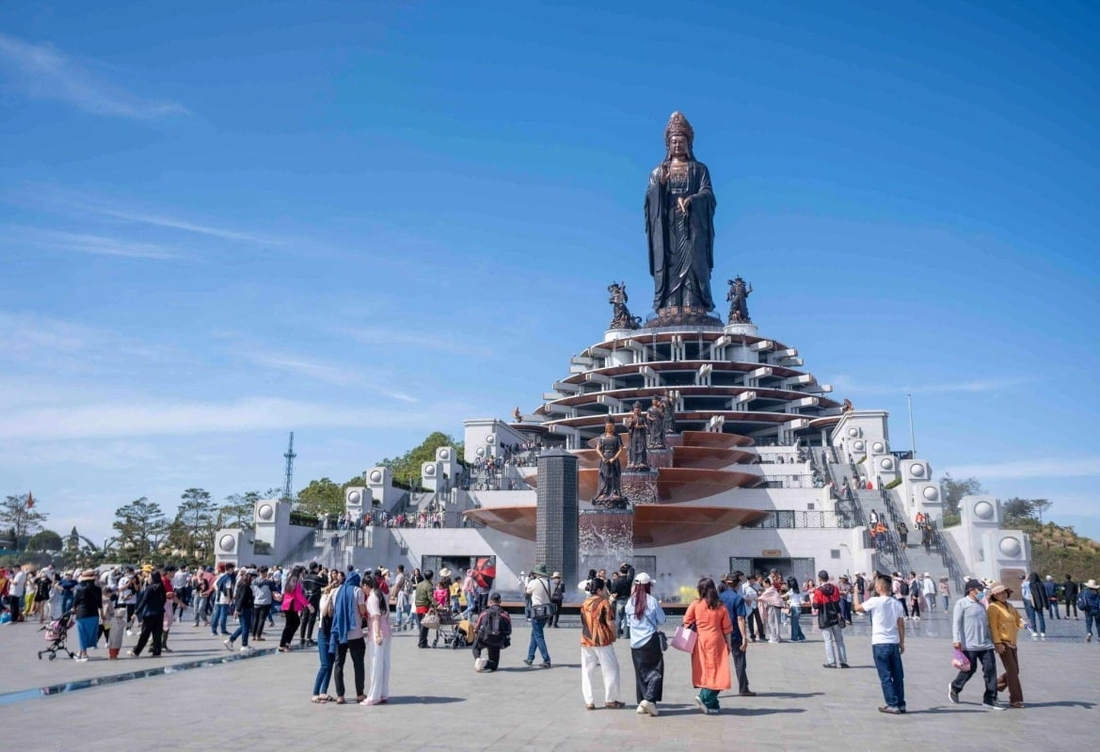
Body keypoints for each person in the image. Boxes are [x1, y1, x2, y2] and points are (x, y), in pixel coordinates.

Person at [645, 111, 716, 314]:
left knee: (693, 262)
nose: (677, 145)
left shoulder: (699, 169)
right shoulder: (658, 172)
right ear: (668, 145)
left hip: (692, 225)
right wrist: (660, 185)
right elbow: (650, 200)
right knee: (669, 263)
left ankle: (693, 303)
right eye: (674, 142)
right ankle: (669, 305)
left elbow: (708, 194)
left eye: (681, 142)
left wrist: (692, 200)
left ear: (688, 144)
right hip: (667, 228)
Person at [853, 574, 907, 714]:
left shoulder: (875, 601)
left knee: (885, 675)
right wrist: (901, 642)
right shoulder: (897, 603)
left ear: (882, 587)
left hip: (880, 643)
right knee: (898, 675)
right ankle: (901, 703)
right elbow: (901, 624)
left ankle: (892, 704)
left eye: (877, 585)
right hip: (893, 642)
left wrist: (855, 593)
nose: (875, 587)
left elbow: (857, 608)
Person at [949, 579, 1001, 709]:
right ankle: (955, 687)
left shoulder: (983, 604)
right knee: (969, 669)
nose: (982, 592)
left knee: (990, 670)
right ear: (971, 591)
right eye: (979, 590)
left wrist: (993, 641)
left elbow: (987, 625)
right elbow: (956, 623)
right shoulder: (962, 603)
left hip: (985, 644)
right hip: (969, 644)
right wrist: (956, 639)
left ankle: (990, 699)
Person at [683, 577, 732, 714]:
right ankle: (705, 697)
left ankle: (713, 705)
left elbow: (687, 621)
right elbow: (727, 628)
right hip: (716, 640)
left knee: (705, 670)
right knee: (719, 671)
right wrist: (729, 644)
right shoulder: (720, 606)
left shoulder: (695, 604)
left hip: (700, 641)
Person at [579, 577, 622, 709]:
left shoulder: (585, 603)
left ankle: (589, 701)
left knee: (587, 671)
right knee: (611, 669)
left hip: (586, 639)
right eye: (604, 588)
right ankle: (610, 699)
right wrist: (614, 635)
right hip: (602, 640)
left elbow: (583, 621)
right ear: (599, 590)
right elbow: (610, 622)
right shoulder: (604, 603)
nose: (606, 591)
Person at [626, 572, 665, 716]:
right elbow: (662, 620)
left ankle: (642, 702)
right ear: (648, 586)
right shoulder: (652, 601)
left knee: (641, 672)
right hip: (650, 640)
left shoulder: (630, 602)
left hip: (635, 643)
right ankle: (649, 700)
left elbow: (628, 623)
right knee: (656, 670)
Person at [987, 582, 1027, 708]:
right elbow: (993, 627)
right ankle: (1015, 699)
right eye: (999, 594)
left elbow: (1018, 619)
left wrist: (1024, 624)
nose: (1003, 595)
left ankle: (993, 687)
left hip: (1013, 642)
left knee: (1015, 670)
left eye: (1004, 592)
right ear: (994, 596)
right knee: (1012, 670)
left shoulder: (1010, 606)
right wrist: (997, 643)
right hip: (1003, 642)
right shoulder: (993, 608)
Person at [329, 570, 367, 704]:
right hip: (355, 633)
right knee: (358, 664)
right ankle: (360, 694)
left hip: (340, 633)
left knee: (339, 664)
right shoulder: (358, 591)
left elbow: (334, 609)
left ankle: (340, 695)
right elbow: (362, 610)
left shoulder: (336, 591)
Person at [719, 573, 754, 697]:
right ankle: (743, 688)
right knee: (740, 662)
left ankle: (713, 688)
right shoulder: (737, 598)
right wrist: (744, 636)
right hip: (735, 634)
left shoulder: (719, 597)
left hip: (721, 633)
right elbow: (740, 618)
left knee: (718, 662)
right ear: (738, 585)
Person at [361, 573, 392, 705]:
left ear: (365, 585)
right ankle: (383, 693)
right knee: (384, 664)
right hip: (387, 632)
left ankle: (374, 696)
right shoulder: (382, 595)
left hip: (377, 632)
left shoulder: (372, 597)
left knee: (376, 664)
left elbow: (375, 616)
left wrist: (377, 634)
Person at [312, 571, 341, 703]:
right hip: (323, 633)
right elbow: (323, 611)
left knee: (330, 664)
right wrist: (329, 597)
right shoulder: (324, 598)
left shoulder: (337, 601)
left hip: (332, 634)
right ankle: (315, 693)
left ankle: (324, 691)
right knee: (324, 664)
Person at [813, 570, 848, 668]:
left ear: (819, 578)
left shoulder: (818, 591)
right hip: (836, 616)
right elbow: (838, 600)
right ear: (827, 578)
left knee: (828, 641)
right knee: (839, 640)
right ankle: (843, 661)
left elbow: (815, 605)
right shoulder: (835, 588)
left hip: (825, 617)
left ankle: (832, 662)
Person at [472, 592, 512, 672]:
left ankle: (478, 659)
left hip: (484, 638)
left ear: (490, 602)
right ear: (500, 601)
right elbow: (509, 630)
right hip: (497, 640)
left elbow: (476, 627)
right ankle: (485, 663)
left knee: (475, 647)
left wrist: (476, 632)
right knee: (494, 665)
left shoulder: (484, 612)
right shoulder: (505, 614)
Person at [130, 571, 166, 658]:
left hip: (149, 614)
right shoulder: (161, 587)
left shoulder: (150, 588)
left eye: (149, 577)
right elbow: (164, 600)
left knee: (145, 634)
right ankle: (157, 651)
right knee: (157, 634)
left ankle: (136, 651)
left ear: (153, 578)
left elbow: (144, 601)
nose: (148, 578)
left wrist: (136, 612)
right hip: (159, 613)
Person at [523, 564, 553, 668]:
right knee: (535, 634)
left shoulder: (533, 583)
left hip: (537, 611)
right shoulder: (550, 582)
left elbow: (526, 594)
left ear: (536, 573)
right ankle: (530, 657)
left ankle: (546, 659)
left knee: (538, 636)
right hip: (547, 611)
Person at [71, 569, 104, 662]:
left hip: (82, 614)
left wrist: (73, 609)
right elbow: (100, 604)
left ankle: (84, 653)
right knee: (90, 635)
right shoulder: (98, 589)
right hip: (94, 614)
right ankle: (80, 652)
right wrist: (102, 615)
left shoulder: (80, 589)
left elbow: (75, 602)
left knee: (82, 635)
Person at [279, 566, 310, 652]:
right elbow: (299, 595)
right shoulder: (295, 582)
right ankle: (282, 645)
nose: (303, 574)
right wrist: (308, 605)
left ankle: (287, 643)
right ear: (299, 573)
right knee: (289, 625)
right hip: (291, 605)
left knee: (295, 623)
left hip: (289, 605)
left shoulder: (290, 580)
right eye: (302, 573)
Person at [224, 568, 255, 653]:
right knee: (246, 627)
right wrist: (237, 610)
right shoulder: (245, 586)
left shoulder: (241, 584)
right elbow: (241, 598)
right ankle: (244, 645)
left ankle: (230, 640)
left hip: (242, 608)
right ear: (249, 576)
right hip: (244, 608)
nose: (254, 579)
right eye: (253, 577)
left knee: (243, 627)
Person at [210, 563, 235, 636]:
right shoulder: (228, 578)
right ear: (230, 569)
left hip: (218, 597)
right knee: (223, 615)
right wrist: (229, 599)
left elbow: (214, 585)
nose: (233, 571)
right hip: (224, 598)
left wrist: (218, 591)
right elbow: (228, 589)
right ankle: (223, 630)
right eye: (232, 569)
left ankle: (213, 630)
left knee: (216, 614)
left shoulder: (221, 577)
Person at [414, 569, 434, 648]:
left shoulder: (419, 584)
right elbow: (430, 597)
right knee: (424, 627)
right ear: (431, 577)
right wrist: (437, 604)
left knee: (421, 626)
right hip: (425, 607)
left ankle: (423, 641)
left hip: (418, 607)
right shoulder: (429, 585)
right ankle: (422, 643)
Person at [784, 576, 806, 642]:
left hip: (795, 608)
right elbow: (800, 600)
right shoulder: (797, 590)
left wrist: (776, 595)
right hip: (797, 608)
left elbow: (784, 596)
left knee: (794, 624)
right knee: (795, 623)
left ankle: (794, 638)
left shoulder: (791, 591)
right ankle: (801, 636)